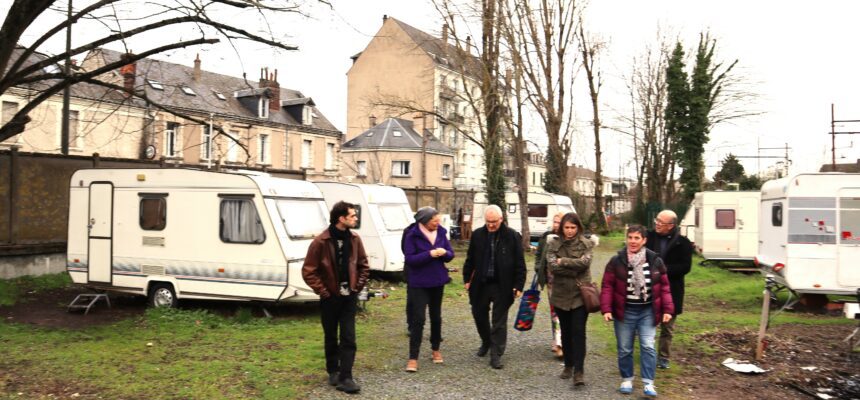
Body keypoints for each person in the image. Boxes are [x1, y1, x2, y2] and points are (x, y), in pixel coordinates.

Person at [302, 201, 370, 394]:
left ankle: (346, 377)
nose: (356, 218)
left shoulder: (355, 239)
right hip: (330, 298)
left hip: (349, 298)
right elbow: (309, 271)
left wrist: (356, 287)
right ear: (341, 218)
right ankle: (333, 370)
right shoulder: (320, 242)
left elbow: (363, 266)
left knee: (348, 337)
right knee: (331, 336)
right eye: (352, 215)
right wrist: (324, 292)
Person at [600, 224, 674, 398]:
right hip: (624, 311)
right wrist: (606, 309)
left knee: (647, 346)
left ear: (644, 240)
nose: (633, 241)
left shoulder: (655, 261)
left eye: (637, 238)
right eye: (630, 237)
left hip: (648, 311)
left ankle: (649, 383)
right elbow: (607, 286)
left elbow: (664, 287)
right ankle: (627, 379)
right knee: (625, 348)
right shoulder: (616, 261)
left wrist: (668, 309)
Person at [462, 205, 527, 369]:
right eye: (488, 222)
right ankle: (486, 341)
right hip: (481, 284)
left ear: (501, 219)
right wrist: (466, 279)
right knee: (478, 315)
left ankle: (496, 354)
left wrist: (518, 285)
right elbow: (470, 260)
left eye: (494, 222)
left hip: (502, 284)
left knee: (499, 321)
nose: (491, 225)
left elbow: (520, 264)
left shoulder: (512, 236)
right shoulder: (478, 235)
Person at [402, 207, 455, 372]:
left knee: (436, 317)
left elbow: (451, 255)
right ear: (424, 221)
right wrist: (429, 254)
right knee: (418, 319)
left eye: (438, 221)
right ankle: (413, 357)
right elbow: (410, 259)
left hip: (437, 281)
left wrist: (444, 252)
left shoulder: (441, 233)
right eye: (434, 221)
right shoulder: (412, 235)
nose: (437, 224)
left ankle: (435, 349)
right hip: (418, 283)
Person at [546, 212, 594, 387]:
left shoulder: (586, 244)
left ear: (578, 227)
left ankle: (579, 371)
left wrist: (563, 261)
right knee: (565, 332)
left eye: (573, 227)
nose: (570, 231)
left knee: (578, 332)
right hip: (560, 295)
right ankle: (568, 365)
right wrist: (573, 266)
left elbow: (585, 264)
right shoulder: (553, 244)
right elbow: (552, 267)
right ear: (561, 228)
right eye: (566, 227)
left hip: (580, 294)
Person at [646, 210, 693, 370]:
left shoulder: (683, 243)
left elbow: (685, 267)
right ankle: (648, 354)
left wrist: (663, 270)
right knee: (648, 324)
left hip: (672, 290)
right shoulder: (648, 237)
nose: (657, 224)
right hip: (649, 288)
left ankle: (664, 356)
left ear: (671, 225)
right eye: (657, 220)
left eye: (661, 222)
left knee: (667, 327)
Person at [533, 212, 566, 358]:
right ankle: (557, 342)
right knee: (554, 312)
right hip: (551, 282)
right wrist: (538, 267)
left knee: (563, 312)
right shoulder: (546, 237)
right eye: (555, 222)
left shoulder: (567, 239)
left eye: (559, 222)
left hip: (566, 282)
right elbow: (538, 254)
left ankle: (562, 342)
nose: (556, 225)